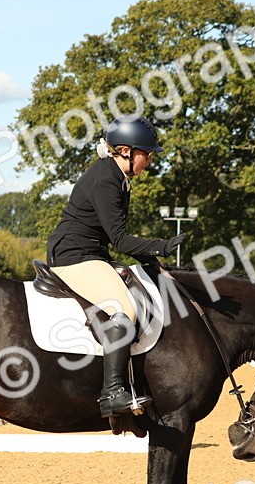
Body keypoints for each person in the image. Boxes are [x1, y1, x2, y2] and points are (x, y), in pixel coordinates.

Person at [45, 115, 184, 417]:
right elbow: (120, 239)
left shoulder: (117, 177)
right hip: (75, 255)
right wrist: (161, 245)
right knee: (126, 310)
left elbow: (113, 237)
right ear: (125, 150)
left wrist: (153, 262)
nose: (149, 160)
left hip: (92, 252)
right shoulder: (106, 178)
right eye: (146, 154)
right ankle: (111, 393)